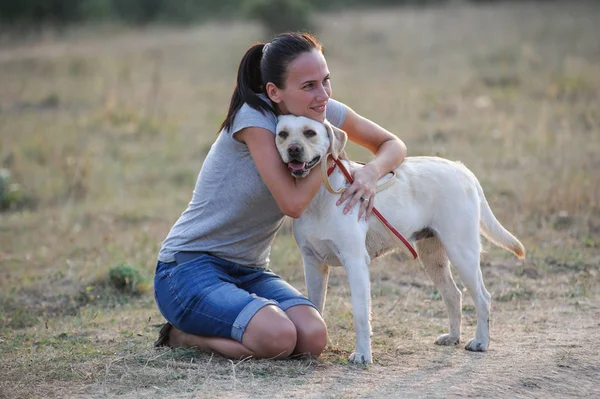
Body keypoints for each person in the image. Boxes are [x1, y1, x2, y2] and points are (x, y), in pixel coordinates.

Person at [154, 32, 407, 360]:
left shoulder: (323, 113)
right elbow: (293, 203)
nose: (322, 95)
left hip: (250, 269)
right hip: (189, 267)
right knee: (280, 339)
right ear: (274, 92)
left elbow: (393, 145)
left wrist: (371, 173)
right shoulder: (254, 120)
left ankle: (241, 319)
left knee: (313, 339)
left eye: (325, 81)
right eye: (308, 86)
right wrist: (330, 149)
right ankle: (183, 335)